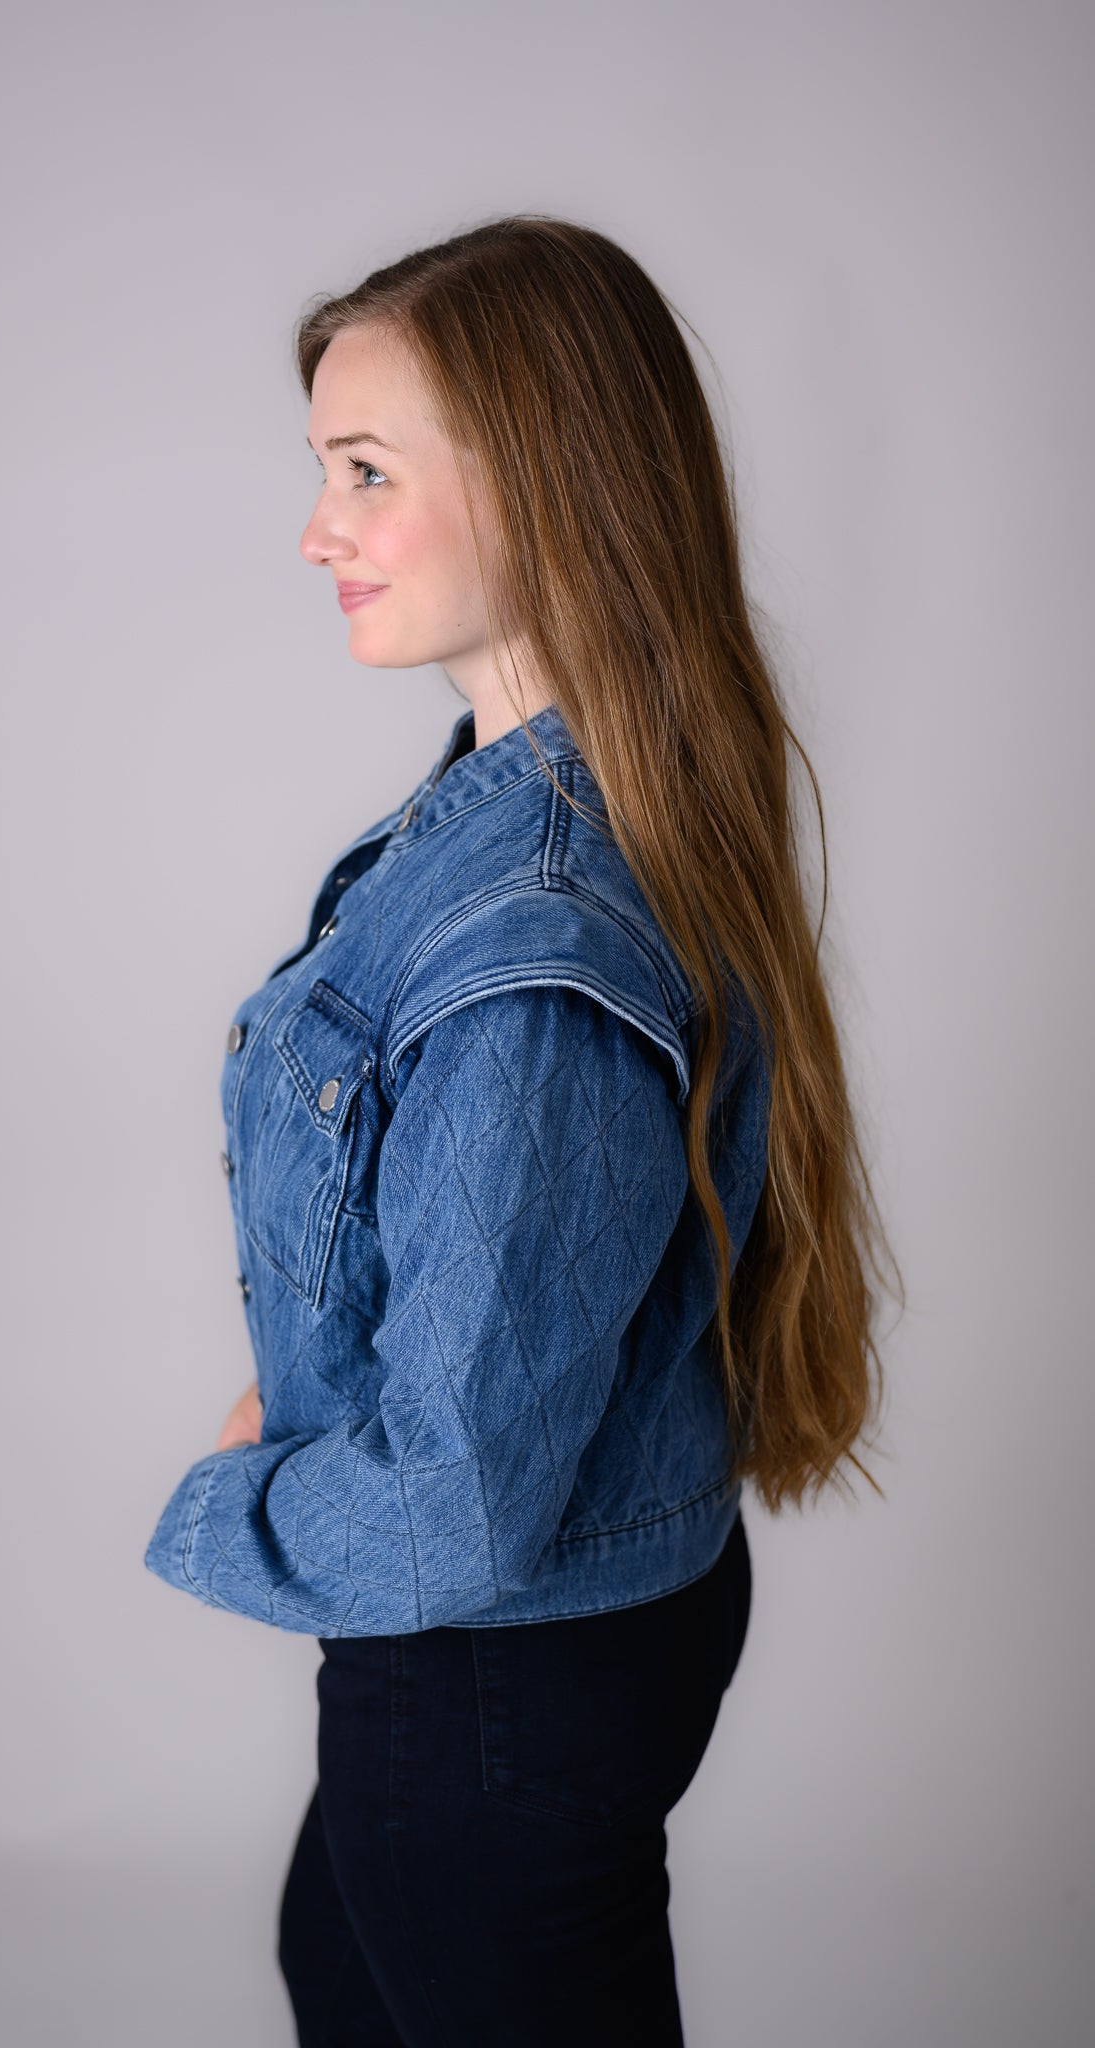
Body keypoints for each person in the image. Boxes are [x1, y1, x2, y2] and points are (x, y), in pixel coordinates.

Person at [144, 213, 901, 2045]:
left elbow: (456, 1508)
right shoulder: (558, 799)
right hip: (565, 1638)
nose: (316, 530)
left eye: (366, 472)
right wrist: (320, 1379)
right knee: (341, 1968)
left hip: (495, 1676)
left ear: (546, 483)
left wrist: (227, 1507)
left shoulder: (530, 948)